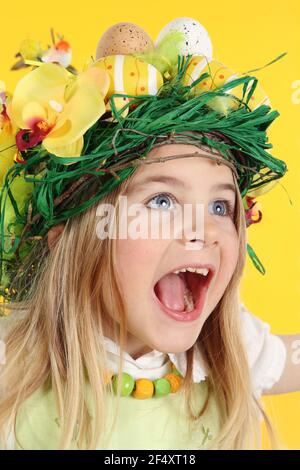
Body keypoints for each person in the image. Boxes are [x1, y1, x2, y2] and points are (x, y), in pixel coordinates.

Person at [0, 18, 299, 450]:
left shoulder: (228, 349)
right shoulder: (15, 366)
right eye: (162, 201)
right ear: (68, 236)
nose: (203, 230)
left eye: (220, 206)